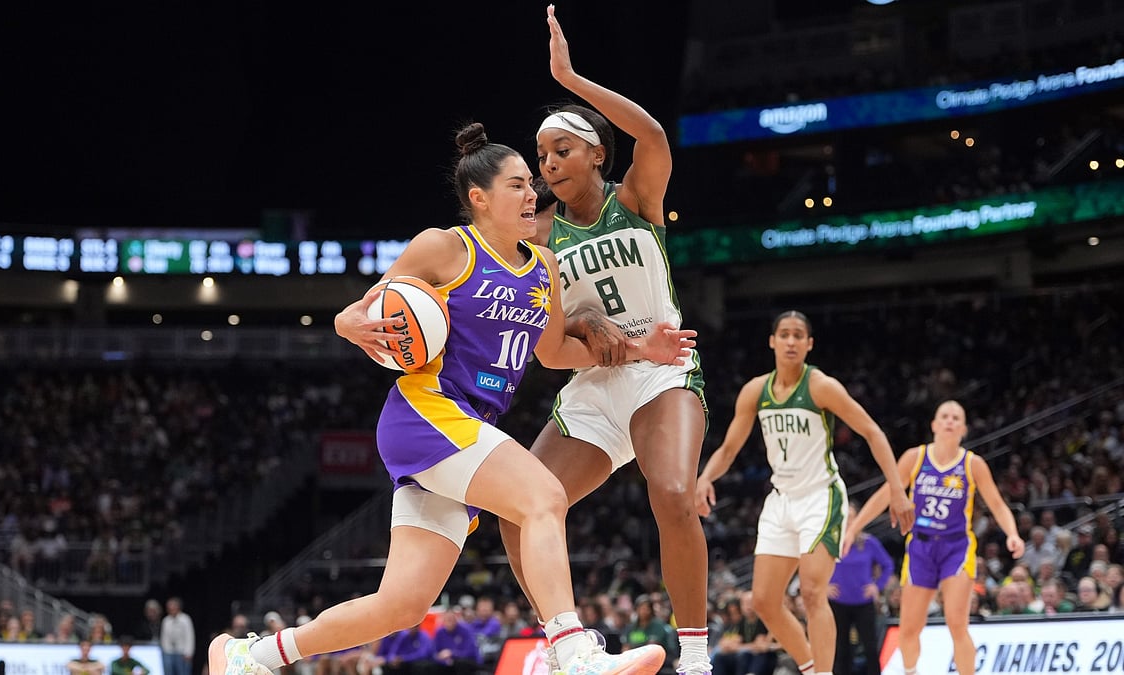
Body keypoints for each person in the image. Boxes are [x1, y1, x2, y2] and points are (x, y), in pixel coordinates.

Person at [208, 122, 692, 675]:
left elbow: (556, 354)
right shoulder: (445, 247)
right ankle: (572, 651)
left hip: (469, 426)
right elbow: (366, 308)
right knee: (544, 497)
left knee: (402, 605)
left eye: (530, 184)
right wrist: (347, 323)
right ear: (479, 198)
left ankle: (251, 655)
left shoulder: (544, 266)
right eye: (516, 185)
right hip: (427, 412)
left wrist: (637, 349)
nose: (532, 193)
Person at [499, 7, 712, 675]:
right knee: (518, 505)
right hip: (593, 383)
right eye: (540, 156)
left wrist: (569, 77)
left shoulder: (638, 197)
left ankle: (697, 656)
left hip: (664, 374)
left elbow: (649, 131)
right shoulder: (538, 237)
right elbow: (552, 347)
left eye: (562, 149)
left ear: (595, 151)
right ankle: (567, 645)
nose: (548, 163)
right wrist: (611, 341)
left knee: (673, 492)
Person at [695, 311, 914, 675]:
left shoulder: (820, 386)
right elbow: (730, 448)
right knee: (764, 601)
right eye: (785, 334)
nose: (792, 341)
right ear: (772, 341)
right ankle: (811, 666)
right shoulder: (755, 391)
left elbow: (872, 431)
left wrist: (897, 489)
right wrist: (706, 477)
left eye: (799, 335)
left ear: (809, 344)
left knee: (813, 592)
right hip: (781, 500)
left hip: (821, 497)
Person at [843, 400, 1025, 675]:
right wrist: (854, 528)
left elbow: (998, 504)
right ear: (934, 425)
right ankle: (910, 671)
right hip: (920, 547)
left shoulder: (972, 464)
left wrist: (1012, 533)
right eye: (945, 416)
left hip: (956, 548)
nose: (950, 421)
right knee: (908, 629)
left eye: (956, 417)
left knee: (956, 624)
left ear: (963, 428)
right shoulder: (914, 458)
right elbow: (885, 494)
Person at [827, 503, 894, 675]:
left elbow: (888, 565)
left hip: (863, 602)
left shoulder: (869, 542)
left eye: (851, 517)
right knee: (840, 648)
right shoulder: (831, 541)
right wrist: (823, 588)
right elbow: (814, 566)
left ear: (858, 519)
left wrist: (877, 586)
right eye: (845, 517)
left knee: (870, 647)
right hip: (837, 602)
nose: (848, 521)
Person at [160, 597, 194, 675]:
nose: (171, 609)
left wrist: (189, 652)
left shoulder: (185, 619)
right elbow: (164, 637)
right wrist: (165, 652)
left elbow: (189, 636)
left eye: (173, 607)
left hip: (182, 652)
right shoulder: (166, 620)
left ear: (178, 607)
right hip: (169, 652)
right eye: (169, 607)